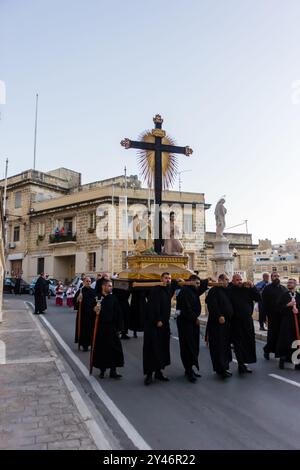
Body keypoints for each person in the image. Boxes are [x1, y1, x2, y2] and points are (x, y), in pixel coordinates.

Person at [143, 272, 180, 385]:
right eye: (166, 278)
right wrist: (157, 319)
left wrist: (177, 281)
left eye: (169, 278)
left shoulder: (168, 290)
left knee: (162, 348)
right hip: (153, 325)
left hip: (164, 325)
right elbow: (153, 306)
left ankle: (159, 372)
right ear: (161, 279)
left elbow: (174, 284)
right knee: (152, 349)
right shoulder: (156, 290)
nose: (168, 280)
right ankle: (149, 374)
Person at [176, 275, 210, 382]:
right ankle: (189, 370)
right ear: (190, 282)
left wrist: (208, 280)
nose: (198, 285)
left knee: (194, 345)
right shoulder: (185, 292)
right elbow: (186, 308)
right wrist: (194, 318)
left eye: (198, 283)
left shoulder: (194, 291)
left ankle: (190, 368)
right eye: (196, 283)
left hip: (192, 322)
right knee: (188, 345)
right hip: (185, 322)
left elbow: (202, 285)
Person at [91, 279, 124, 379]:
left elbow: (118, 314)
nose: (111, 287)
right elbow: (90, 310)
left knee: (114, 349)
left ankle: (113, 371)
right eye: (109, 286)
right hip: (101, 328)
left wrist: (119, 328)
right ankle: (102, 370)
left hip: (112, 328)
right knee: (102, 349)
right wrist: (94, 310)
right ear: (103, 286)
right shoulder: (97, 297)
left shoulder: (113, 298)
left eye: (111, 286)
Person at [228, 274, 261, 374]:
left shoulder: (247, 289)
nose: (239, 281)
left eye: (241, 279)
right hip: (235, 321)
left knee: (248, 342)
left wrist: (253, 286)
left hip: (247, 321)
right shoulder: (230, 290)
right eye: (237, 280)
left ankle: (245, 363)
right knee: (238, 343)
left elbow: (258, 298)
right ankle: (241, 365)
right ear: (233, 281)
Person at [206, 274, 234, 379]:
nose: (228, 281)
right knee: (219, 346)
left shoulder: (226, 290)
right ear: (220, 280)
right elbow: (212, 305)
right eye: (226, 280)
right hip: (217, 323)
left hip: (226, 323)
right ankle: (221, 369)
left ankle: (224, 367)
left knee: (225, 346)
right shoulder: (214, 291)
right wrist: (219, 315)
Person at [262, 272, 288, 360]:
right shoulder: (267, 289)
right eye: (274, 276)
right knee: (272, 335)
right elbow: (264, 304)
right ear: (271, 278)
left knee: (281, 335)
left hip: (282, 316)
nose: (276, 277)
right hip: (272, 316)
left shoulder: (284, 289)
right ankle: (267, 350)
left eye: (277, 276)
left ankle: (281, 353)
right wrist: (264, 317)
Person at [276, 278, 300, 370]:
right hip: (286, 322)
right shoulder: (283, 296)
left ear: (295, 284)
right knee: (285, 341)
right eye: (288, 283)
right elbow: (278, 308)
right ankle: (283, 359)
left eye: (291, 283)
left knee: (297, 342)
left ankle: (297, 363)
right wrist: (287, 305)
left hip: (297, 323)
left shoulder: (299, 296)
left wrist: (298, 311)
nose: (289, 284)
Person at [74, 276, 96, 351]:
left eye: (89, 281)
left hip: (91, 314)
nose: (88, 282)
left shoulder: (93, 291)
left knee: (91, 330)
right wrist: (78, 299)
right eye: (87, 281)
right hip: (83, 314)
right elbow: (75, 302)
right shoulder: (80, 291)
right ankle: (84, 345)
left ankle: (91, 343)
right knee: (83, 330)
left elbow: (96, 301)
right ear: (83, 282)